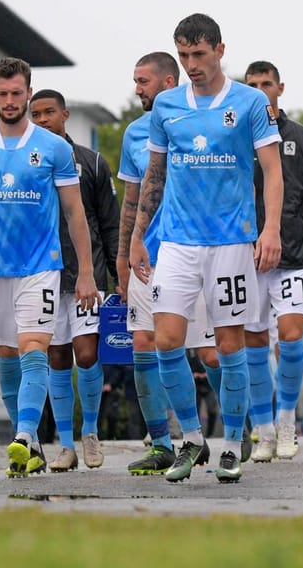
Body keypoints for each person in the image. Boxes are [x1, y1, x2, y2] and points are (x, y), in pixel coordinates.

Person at [128, 13, 284, 484]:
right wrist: (138, 235)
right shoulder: (166, 107)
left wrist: (270, 229)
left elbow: (272, 171)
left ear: (219, 49)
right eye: (184, 55)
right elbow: (154, 175)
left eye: (199, 54)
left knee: (229, 345)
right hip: (175, 241)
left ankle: (235, 443)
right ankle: (192, 439)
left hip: (232, 241)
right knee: (166, 341)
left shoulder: (250, 102)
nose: (192, 64)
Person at [0, 57, 98, 477]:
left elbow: (75, 215)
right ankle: (28, 444)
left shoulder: (54, 148)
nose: (10, 101)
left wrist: (85, 272)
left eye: (17, 93)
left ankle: (25, 435)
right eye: (2, 94)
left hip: (41, 264)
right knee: (5, 355)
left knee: (34, 348)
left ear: (28, 93)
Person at [242, 61, 303, 462]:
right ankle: (262, 430)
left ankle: (286, 423)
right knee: (253, 341)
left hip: (294, 253)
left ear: (280, 88)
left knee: (292, 338)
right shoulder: (234, 134)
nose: (261, 90)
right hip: (244, 255)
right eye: (252, 85)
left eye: (266, 84)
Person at [28, 89, 120, 472]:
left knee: (87, 353)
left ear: (65, 115)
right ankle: (65, 444)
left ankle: (91, 433)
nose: (43, 119)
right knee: (57, 357)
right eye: (36, 114)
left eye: (50, 112)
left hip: (88, 273)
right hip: (43, 273)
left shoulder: (91, 162)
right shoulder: (25, 160)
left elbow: (110, 222)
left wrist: (118, 274)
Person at [115, 52, 184, 474]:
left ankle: (235, 432)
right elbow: (130, 200)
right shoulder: (134, 134)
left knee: (210, 354)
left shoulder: (195, 123)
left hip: (193, 251)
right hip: (146, 259)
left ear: (168, 81)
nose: (137, 89)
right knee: (143, 344)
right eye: (135, 81)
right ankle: (161, 443)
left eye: (143, 81)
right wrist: (123, 256)